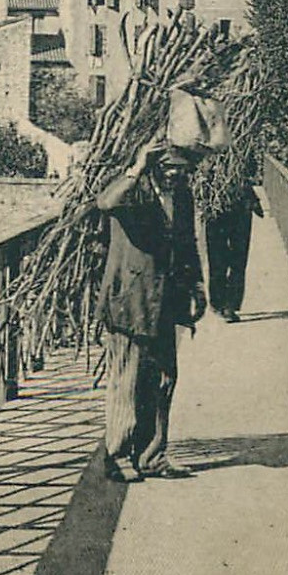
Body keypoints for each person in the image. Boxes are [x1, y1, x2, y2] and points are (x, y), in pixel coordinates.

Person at [93, 137, 205, 483]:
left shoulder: (183, 196)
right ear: (155, 166)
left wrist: (197, 286)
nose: (175, 175)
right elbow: (105, 202)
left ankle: (152, 455)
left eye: (182, 170)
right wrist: (137, 166)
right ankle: (118, 455)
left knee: (164, 379)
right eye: (169, 169)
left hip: (165, 301)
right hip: (131, 299)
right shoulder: (133, 191)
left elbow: (187, 243)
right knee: (128, 380)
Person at [202, 179, 263, 323]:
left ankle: (228, 304)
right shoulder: (206, 160)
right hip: (216, 205)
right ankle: (220, 302)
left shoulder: (239, 159)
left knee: (236, 259)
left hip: (238, 205)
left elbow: (247, 175)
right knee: (219, 258)